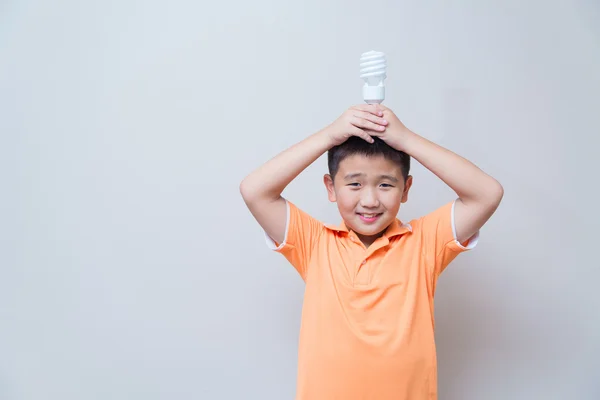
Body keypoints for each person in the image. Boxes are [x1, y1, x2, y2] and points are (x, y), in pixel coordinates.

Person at [239, 103, 503, 400]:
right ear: (331, 187)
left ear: (406, 189)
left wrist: (406, 139)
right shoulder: (314, 243)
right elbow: (255, 190)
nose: (370, 200)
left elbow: (487, 194)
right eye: (354, 184)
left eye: (386, 184)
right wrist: (329, 135)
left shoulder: (424, 242)